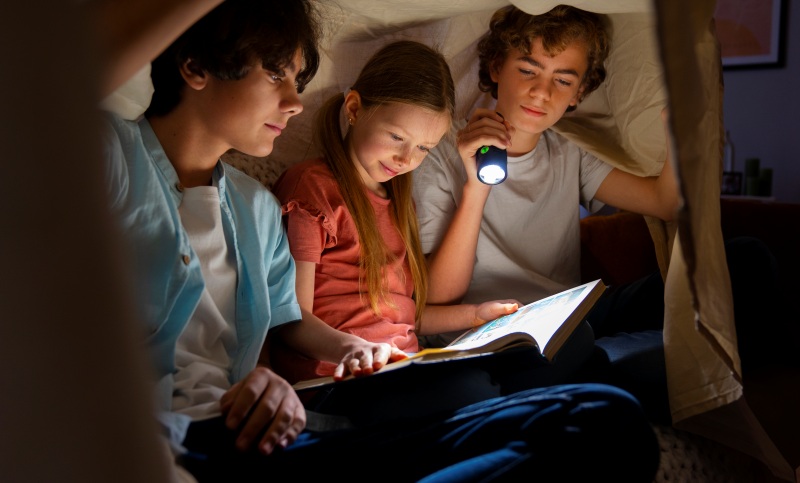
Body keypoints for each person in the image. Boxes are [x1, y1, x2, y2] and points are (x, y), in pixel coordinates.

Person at [99, 1, 660, 481]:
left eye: (299, 80)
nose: (295, 102)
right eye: (277, 76)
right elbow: (60, 79)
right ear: (196, 64)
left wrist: (269, 382)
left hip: (271, 425)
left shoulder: (253, 207)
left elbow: (275, 328)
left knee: (605, 415)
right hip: (185, 437)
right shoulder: (109, 159)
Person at [411, 4, 678, 420]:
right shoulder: (440, 152)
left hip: (570, 314)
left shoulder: (569, 149)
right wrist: (477, 186)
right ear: (497, 66)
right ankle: (590, 385)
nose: (541, 93)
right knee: (593, 353)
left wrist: (683, 123)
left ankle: (599, 374)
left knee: (745, 260)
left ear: (579, 93)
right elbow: (440, 297)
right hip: (497, 335)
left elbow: (665, 202)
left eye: (563, 80)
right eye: (528, 70)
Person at [270, 40, 521, 384]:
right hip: (335, 378)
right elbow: (291, 319)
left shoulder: (399, 203)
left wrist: (476, 315)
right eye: (396, 136)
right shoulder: (312, 189)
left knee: (523, 364)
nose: (406, 159)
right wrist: (354, 350)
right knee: (474, 388)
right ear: (355, 109)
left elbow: (402, 316)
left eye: (423, 148)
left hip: (403, 367)